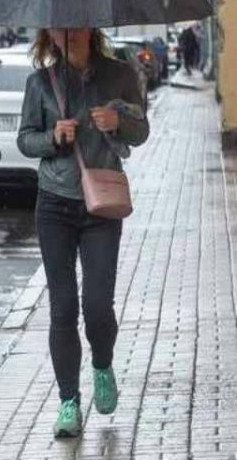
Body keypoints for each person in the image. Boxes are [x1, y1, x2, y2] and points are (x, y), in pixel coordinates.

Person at [17, 28, 150, 438]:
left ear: (89, 29)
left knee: (96, 303)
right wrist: (53, 137)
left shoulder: (120, 75)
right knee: (62, 306)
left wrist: (118, 120)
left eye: (73, 26)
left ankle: (103, 364)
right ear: (49, 35)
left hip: (102, 204)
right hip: (54, 203)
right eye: (58, 28)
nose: (66, 34)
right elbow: (25, 139)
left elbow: (141, 131)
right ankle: (69, 402)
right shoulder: (40, 82)